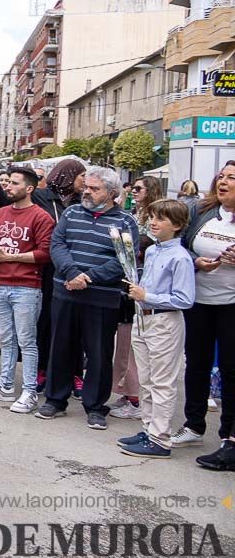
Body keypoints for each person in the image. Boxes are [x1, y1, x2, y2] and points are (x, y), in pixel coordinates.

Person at [36, 167, 140, 429]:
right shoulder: (71, 213)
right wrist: (72, 272)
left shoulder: (124, 222)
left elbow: (124, 260)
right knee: (60, 346)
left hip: (101, 297)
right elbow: (57, 245)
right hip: (66, 291)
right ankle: (56, 399)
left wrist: (90, 277)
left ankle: (95, 405)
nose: (87, 192)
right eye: (87, 187)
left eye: (95, 189)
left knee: (98, 352)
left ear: (113, 194)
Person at [119, 199, 195, 458]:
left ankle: (161, 438)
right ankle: (149, 428)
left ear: (177, 225)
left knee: (162, 382)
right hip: (144, 317)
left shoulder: (180, 257)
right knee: (147, 379)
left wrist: (147, 295)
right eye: (152, 216)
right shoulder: (153, 251)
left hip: (164, 320)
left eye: (160, 218)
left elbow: (184, 299)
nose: (153, 222)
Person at [0, 166, 54, 414]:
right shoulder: (0, 213)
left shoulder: (41, 217)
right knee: (6, 339)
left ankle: (30, 391)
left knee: (27, 342)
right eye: (8, 182)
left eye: (14, 183)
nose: (8, 187)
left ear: (29, 188)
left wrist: (12, 257)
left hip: (26, 287)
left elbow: (45, 254)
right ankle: (5, 385)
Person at [176, 161, 235, 471]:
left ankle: (229, 437)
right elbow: (181, 247)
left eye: (231, 178)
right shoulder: (202, 211)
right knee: (196, 363)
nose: (222, 182)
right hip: (199, 301)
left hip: (231, 305)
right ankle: (193, 425)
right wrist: (196, 261)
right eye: (221, 176)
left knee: (230, 369)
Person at [112, 176, 166, 420]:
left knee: (135, 346)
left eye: (138, 189)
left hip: (146, 289)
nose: (133, 192)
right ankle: (127, 392)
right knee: (125, 343)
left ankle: (136, 398)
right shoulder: (134, 214)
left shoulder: (156, 218)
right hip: (130, 285)